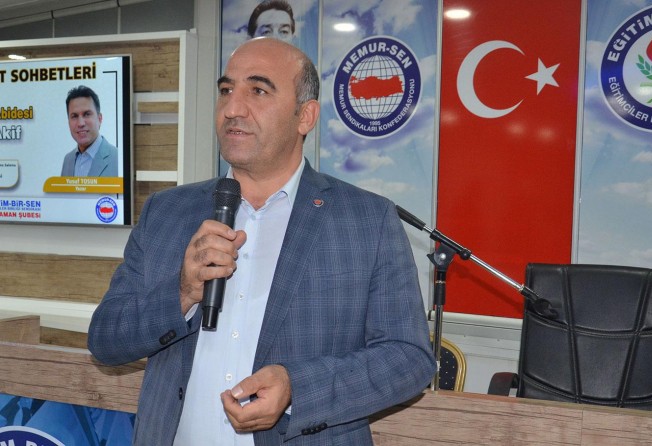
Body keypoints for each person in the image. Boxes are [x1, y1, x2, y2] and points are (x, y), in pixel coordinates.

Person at [87, 37, 434, 445]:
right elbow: (105, 340)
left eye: (258, 90)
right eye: (225, 90)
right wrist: (181, 293)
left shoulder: (367, 220)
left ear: (305, 116)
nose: (232, 108)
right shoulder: (166, 212)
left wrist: (296, 387)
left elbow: (408, 358)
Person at [60, 85, 118, 177]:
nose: (80, 123)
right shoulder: (67, 160)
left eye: (87, 114)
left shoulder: (117, 158)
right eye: (74, 116)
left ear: (99, 119)